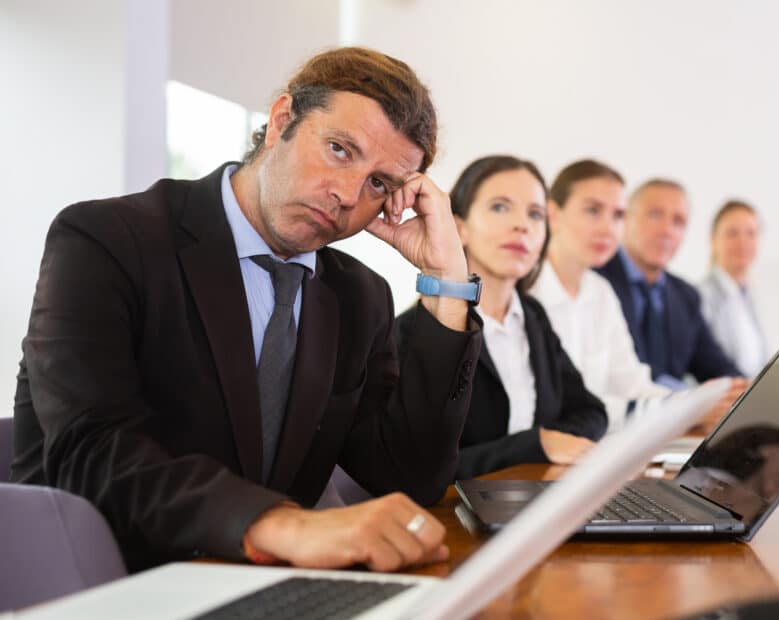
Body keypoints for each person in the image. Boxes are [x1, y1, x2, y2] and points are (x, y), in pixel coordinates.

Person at [11, 47, 483, 573]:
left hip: (260, 586)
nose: (348, 195)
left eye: (379, 184)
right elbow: (91, 451)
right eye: (339, 149)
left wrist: (449, 282)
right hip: (105, 581)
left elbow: (410, 477)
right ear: (282, 119)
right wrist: (281, 524)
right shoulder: (107, 240)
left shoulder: (359, 297)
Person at [396, 156, 607, 479]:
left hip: (535, 502)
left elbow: (591, 411)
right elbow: (412, 469)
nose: (522, 225)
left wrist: (553, 443)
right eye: (500, 207)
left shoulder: (532, 317)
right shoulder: (416, 331)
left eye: (535, 214)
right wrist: (533, 445)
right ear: (460, 228)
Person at [529, 160, 669, 432]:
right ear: (553, 214)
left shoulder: (600, 291)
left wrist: (694, 405)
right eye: (593, 210)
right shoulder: (526, 291)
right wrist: (666, 410)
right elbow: (558, 408)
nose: (608, 228)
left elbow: (631, 384)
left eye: (618, 215)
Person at [596, 179, 742, 387]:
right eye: (655, 215)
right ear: (626, 218)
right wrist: (684, 399)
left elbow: (716, 366)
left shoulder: (686, 296)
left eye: (679, 222)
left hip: (674, 414)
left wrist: (749, 391)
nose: (667, 231)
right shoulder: (596, 279)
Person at [698, 200, 769, 378]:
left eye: (751, 233)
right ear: (713, 240)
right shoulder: (700, 297)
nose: (742, 242)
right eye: (732, 233)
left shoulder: (750, 295)